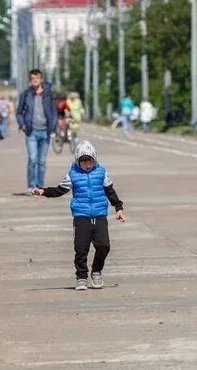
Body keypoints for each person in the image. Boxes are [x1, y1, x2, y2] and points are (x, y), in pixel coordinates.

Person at [31, 140, 126, 291]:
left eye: (90, 161)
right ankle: (81, 276)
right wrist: (43, 191)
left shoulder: (101, 173)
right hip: (81, 217)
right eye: (83, 162)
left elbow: (110, 191)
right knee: (81, 249)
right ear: (77, 162)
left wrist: (118, 208)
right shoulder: (72, 175)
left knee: (104, 245)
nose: (87, 165)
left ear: (94, 159)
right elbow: (59, 190)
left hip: (100, 215)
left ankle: (96, 271)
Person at [16, 69, 55, 192]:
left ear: (41, 79)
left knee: (41, 161)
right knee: (33, 159)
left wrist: (53, 126)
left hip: (45, 132)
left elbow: (54, 112)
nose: (35, 80)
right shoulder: (26, 94)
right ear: (30, 80)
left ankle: (39, 186)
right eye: (32, 78)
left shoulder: (48, 94)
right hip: (31, 131)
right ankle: (31, 186)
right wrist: (22, 125)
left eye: (37, 77)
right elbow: (19, 112)